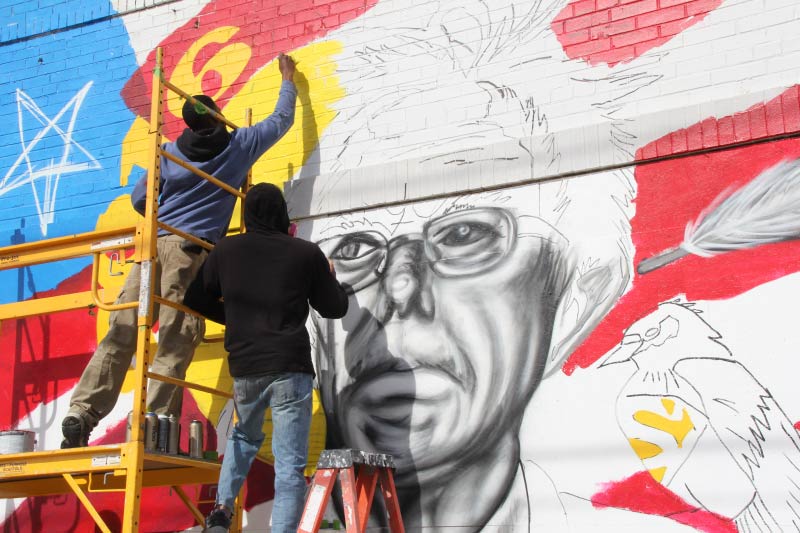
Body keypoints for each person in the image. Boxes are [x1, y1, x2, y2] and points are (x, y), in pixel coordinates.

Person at [60, 54, 299, 449]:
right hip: (189, 256)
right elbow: (281, 120)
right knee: (174, 339)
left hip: (151, 250)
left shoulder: (168, 152)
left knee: (121, 333)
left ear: (189, 124)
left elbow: (142, 200)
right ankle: (153, 429)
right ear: (219, 118)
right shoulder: (239, 145)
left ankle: (81, 413)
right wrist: (287, 78)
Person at [184, 183, 349, 533]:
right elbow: (334, 308)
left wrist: (237, 319)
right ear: (282, 214)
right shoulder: (305, 254)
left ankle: (222, 510)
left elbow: (195, 298)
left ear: (247, 215)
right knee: (289, 465)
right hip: (290, 367)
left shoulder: (226, 251)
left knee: (244, 437)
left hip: (246, 366)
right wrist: (333, 279)